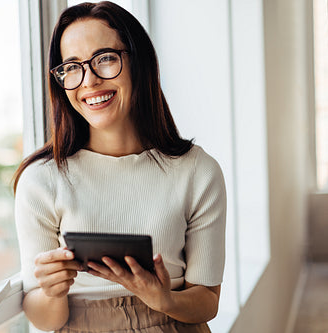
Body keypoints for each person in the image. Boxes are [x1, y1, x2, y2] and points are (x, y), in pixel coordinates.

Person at [13, 2, 226, 332]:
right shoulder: (41, 180)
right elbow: (44, 319)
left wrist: (163, 299)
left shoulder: (197, 171)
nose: (90, 81)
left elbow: (208, 300)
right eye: (71, 67)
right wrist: (53, 292)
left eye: (105, 59)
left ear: (138, 62)